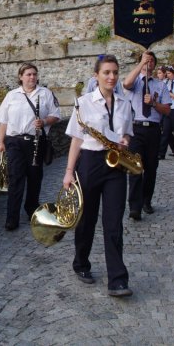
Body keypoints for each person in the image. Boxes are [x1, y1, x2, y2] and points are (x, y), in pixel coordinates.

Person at [64, 54, 133, 297]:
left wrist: (125, 141)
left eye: (115, 72)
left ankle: (117, 279)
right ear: (97, 76)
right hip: (90, 162)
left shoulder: (125, 104)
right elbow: (76, 139)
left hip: (115, 164)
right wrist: (69, 172)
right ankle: (81, 263)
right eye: (106, 72)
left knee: (113, 222)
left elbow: (127, 135)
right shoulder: (83, 103)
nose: (112, 76)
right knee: (87, 219)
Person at [0, 62, 61, 231]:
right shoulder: (11, 96)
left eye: (34, 74)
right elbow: (4, 121)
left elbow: (56, 115)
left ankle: (31, 208)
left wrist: (45, 121)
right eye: (28, 74)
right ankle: (12, 218)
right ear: (21, 77)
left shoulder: (45, 94)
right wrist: (1, 142)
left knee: (34, 178)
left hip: (36, 142)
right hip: (15, 141)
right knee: (16, 178)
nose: (32, 77)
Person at [122, 51, 171, 220]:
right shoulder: (136, 81)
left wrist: (154, 103)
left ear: (154, 64)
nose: (148, 63)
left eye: (151, 61)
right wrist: (140, 64)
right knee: (134, 168)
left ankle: (146, 201)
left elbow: (167, 109)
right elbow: (126, 84)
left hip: (153, 129)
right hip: (136, 128)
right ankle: (134, 206)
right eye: (146, 61)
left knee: (151, 168)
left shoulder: (160, 85)